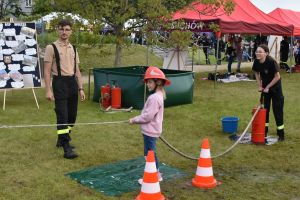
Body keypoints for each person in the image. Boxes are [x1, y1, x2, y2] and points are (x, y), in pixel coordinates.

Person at [44, 19, 86, 159]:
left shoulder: (73, 48)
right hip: (59, 83)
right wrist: (48, 90)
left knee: (72, 116)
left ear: (71, 31)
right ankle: (66, 148)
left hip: (72, 83)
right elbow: (47, 71)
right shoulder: (51, 47)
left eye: (67, 29)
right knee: (62, 115)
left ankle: (61, 139)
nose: (64, 32)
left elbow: (78, 70)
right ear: (57, 30)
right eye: (62, 29)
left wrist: (81, 88)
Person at [129, 66, 171, 183]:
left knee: (150, 155)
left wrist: (134, 120)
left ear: (158, 83)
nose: (147, 84)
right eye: (147, 82)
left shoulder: (154, 98)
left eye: (150, 82)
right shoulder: (158, 96)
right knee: (149, 154)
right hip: (152, 130)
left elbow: (148, 116)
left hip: (150, 131)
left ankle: (154, 176)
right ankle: (156, 173)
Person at [252, 44, 285, 142]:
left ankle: (281, 135)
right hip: (265, 89)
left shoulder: (271, 62)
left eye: (260, 52)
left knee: (277, 111)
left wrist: (268, 87)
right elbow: (256, 73)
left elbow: (277, 77)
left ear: (266, 53)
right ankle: (264, 132)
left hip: (276, 90)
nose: (257, 53)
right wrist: (260, 85)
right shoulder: (257, 62)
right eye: (257, 51)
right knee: (264, 111)